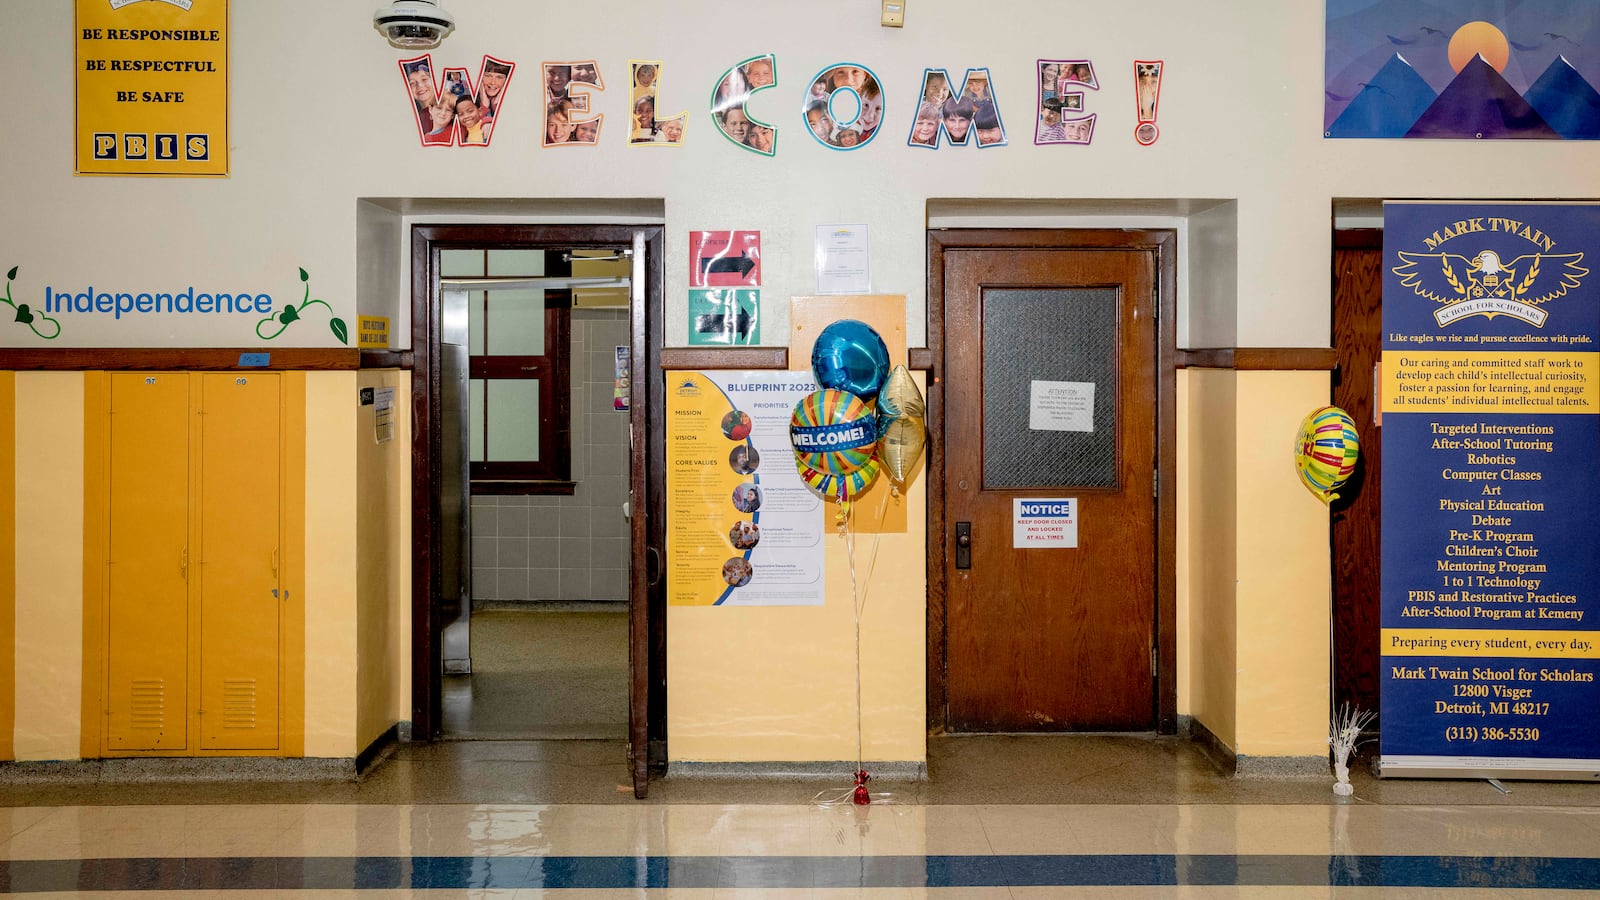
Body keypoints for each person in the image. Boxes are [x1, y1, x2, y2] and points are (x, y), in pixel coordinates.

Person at [405, 61, 438, 131]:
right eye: (412, 83)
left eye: (424, 79)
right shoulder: (410, 120)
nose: (419, 85)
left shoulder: (448, 112)